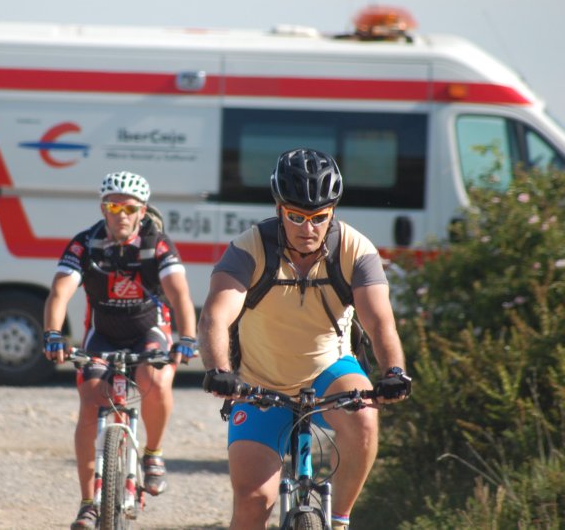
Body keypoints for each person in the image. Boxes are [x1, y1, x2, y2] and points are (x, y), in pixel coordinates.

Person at [198, 148, 411, 530]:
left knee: (364, 418)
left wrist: (393, 371)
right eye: (296, 216)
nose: (307, 228)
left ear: (333, 211)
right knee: (253, 502)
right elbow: (215, 315)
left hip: (329, 370)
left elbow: (380, 323)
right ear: (279, 209)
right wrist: (219, 370)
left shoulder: (355, 250)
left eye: (319, 217)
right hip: (260, 382)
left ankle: (339, 519)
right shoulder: (249, 249)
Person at [43, 171, 198, 530]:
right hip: (104, 334)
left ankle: (153, 454)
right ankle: (87, 504)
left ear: (142, 211)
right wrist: (52, 334)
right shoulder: (85, 243)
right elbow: (60, 291)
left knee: (154, 380)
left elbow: (179, 293)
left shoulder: (156, 243)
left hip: (148, 330)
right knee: (89, 398)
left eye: (129, 208)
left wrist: (187, 338)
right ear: (103, 209)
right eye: (114, 207)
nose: (121, 215)